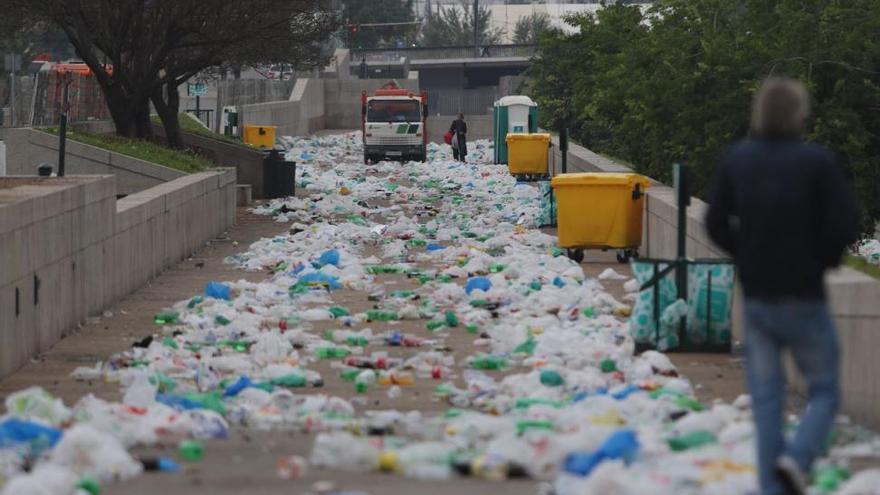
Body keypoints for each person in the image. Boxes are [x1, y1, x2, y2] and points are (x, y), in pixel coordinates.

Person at [705, 78, 859, 495]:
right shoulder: (817, 162)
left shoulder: (738, 159)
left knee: (767, 399)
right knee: (824, 389)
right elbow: (846, 223)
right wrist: (821, 258)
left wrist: (746, 254)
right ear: (799, 114)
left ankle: (771, 487)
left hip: (757, 296)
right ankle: (797, 458)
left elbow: (715, 223)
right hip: (806, 294)